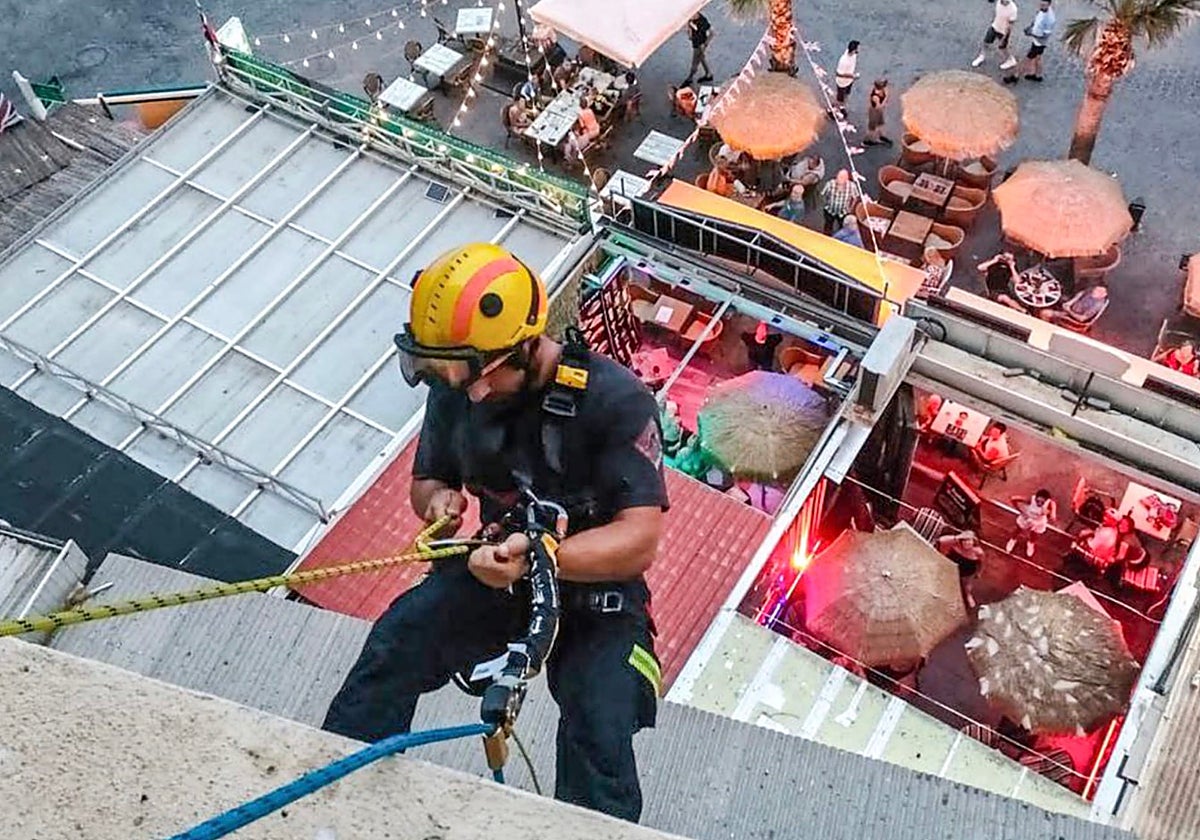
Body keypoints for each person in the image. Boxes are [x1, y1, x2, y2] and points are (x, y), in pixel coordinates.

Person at [323, 243, 669, 823]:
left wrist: (543, 557)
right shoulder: (458, 388)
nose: (466, 390)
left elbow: (640, 539)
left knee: (599, 720)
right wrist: (438, 502)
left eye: (473, 373)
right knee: (396, 644)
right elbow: (429, 478)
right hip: (497, 570)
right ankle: (339, 794)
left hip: (597, 596)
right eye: (450, 373)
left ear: (526, 346)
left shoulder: (616, 402)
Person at [1004, 0, 1056, 83]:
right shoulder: (1042, 11)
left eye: (1044, 5)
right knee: (1038, 58)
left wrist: (1032, 34)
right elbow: (1036, 19)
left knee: (1026, 59)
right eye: (1041, 4)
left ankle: (1015, 76)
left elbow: (1046, 35)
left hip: (1039, 43)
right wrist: (1031, 27)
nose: (1041, 6)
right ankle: (1037, 76)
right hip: (1037, 41)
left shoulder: (1050, 19)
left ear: (1049, 4)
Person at [936, 530, 986, 607]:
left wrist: (979, 572)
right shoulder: (956, 545)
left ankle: (968, 595)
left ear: (974, 541)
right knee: (946, 580)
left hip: (967, 570)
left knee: (967, 585)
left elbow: (982, 563)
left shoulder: (978, 552)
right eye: (964, 540)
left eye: (969, 540)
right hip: (951, 566)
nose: (967, 543)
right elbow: (941, 540)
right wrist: (957, 537)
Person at [1006, 488, 1056, 558]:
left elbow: (1053, 508)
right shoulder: (1030, 499)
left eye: (1042, 502)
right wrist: (1019, 510)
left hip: (1038, 521)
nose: (1039, 503)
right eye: (1038, 501)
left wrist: (1052, 513)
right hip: (1027, 517)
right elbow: (1014, 498)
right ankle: (1013, 540)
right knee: (1018, 529)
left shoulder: (1049, 503)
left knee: (1034, 534)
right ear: (1035, 498)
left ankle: (1030, 544)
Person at [973, 0, 1020, 71]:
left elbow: (1010, 26)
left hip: (1003, 31)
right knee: (986, 42)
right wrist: (993, 21)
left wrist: (1004, 38)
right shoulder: (998, 2)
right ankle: (981, 56)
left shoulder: (1013, 9)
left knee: (1003, 48)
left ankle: (1011, 60)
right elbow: (996, 13)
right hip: (995, 26)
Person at [820, 169, 858, 236]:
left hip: (843, 212)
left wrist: (850, 208)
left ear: (846, 179)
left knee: (842, 226)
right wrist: (825, 204)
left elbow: (855, 197)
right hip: (830, 210)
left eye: (841, 177)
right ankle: (826, 237)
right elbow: (823, 195)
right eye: (838, 176)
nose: (838, 179)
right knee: (828, 225)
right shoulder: (830, 184)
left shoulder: (852, 186)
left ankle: (840, 236)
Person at [683, 12, 714, 85]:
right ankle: (708, 74)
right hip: (695, 43)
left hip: (700, 45)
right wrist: (689, 31)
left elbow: (712, 33)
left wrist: (705, 44)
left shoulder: (702, 21)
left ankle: (690, 78)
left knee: (695, 62)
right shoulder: (690, 19)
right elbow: (690, 34)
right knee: (702, 58)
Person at [862, 78, 893, 146]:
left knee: (880, 124)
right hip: (874, 111)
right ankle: (867, 141)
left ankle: (881, 136)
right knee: (872, 128)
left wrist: (885, 97)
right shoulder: (875, 97)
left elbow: (886, 94)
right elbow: (879, 106)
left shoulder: (883, 90)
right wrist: (885, 101)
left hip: (879, 111)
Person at [834, 41, 861, 111]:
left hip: (849, 81)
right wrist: (852, 76)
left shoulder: (854, 54)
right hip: (842, 83)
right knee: (840, 98)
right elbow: (838, 74)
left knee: (846, 94)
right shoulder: (843, 61)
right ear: (854, 50)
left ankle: (842, 107)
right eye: (858, 48)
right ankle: (835, 109)